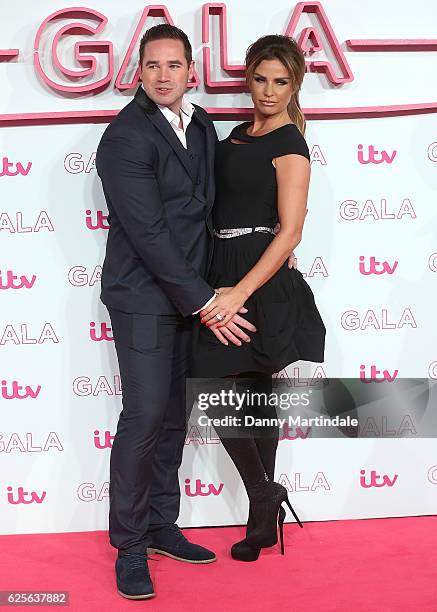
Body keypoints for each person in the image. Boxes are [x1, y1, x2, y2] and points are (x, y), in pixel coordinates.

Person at [96, 24, 256, 600]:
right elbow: (150, 233)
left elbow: (211, 211)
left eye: (174, 66)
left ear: (191, 70)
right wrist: (207, 301)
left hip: (193, 299)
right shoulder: (123, 137)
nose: (164, 76)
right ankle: (131, 545)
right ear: (139, 72)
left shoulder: (204, 125)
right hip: (144, 298)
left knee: (171, 421)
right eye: (153, 66)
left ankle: (164, 525)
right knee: (141, 421)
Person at [191, 34, 326, 561]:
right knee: (241, 393)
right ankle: (265, 508)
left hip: (259, 280)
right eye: (261, 78)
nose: (269, 91)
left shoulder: (290, 143)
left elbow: (290, 232)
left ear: (295, 85)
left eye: (281, 81)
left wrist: (240, 293)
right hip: (221, 266)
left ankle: (261, 500)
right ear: (248, 78)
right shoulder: (237, 134)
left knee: (234, 390)